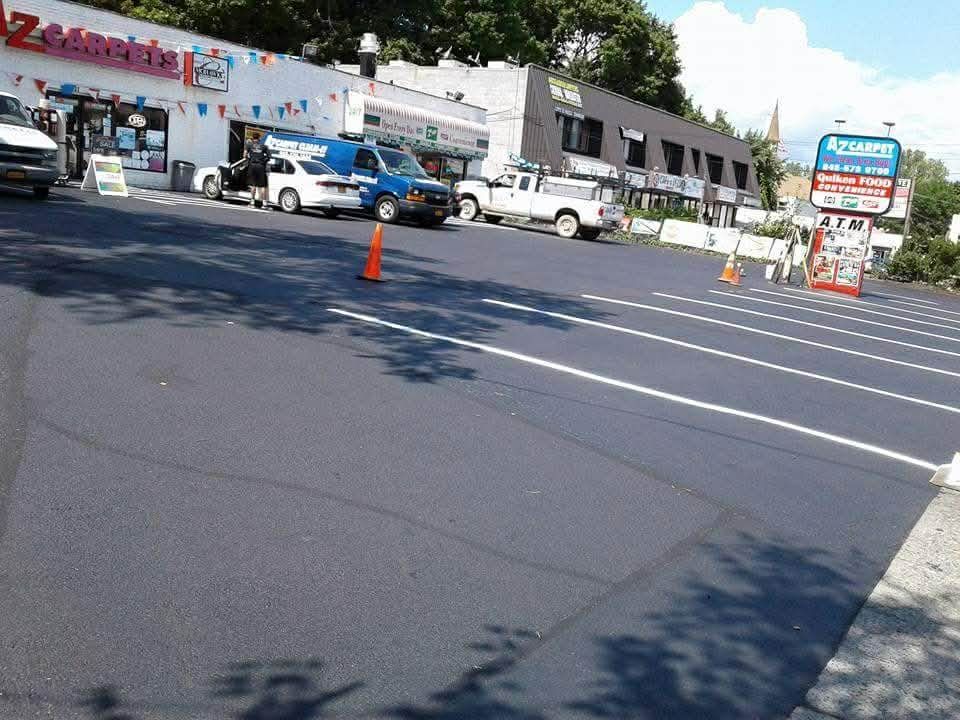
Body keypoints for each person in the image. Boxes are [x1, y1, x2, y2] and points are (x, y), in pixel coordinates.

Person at [244, 136, 272, 210]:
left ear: (253, 139)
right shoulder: (264, 147)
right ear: (259, 140)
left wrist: (249, 160)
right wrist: (263, 161)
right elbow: (269, 157)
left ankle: (252, 203)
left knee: (253, 185)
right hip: (261, 167)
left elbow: (244, 155)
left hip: (252, 167)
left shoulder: (249, 146)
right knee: (263, 186)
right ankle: (264, 204)